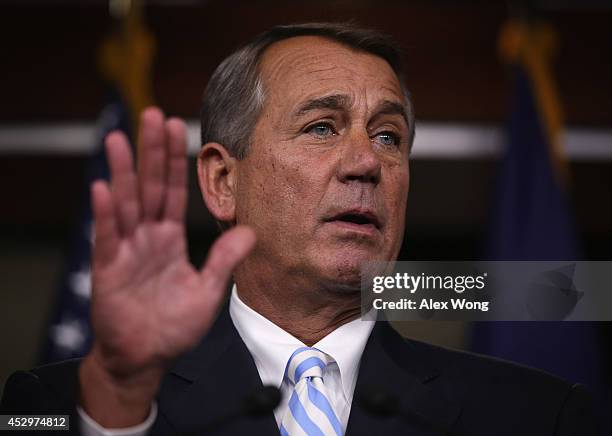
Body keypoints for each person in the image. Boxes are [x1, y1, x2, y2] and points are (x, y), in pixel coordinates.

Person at [0, 22, 596, 436]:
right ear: (221, 182)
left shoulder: (537, 416)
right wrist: (121, 408)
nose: (367, 162)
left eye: (388, 136)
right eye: (321, 127)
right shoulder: (49, 406)